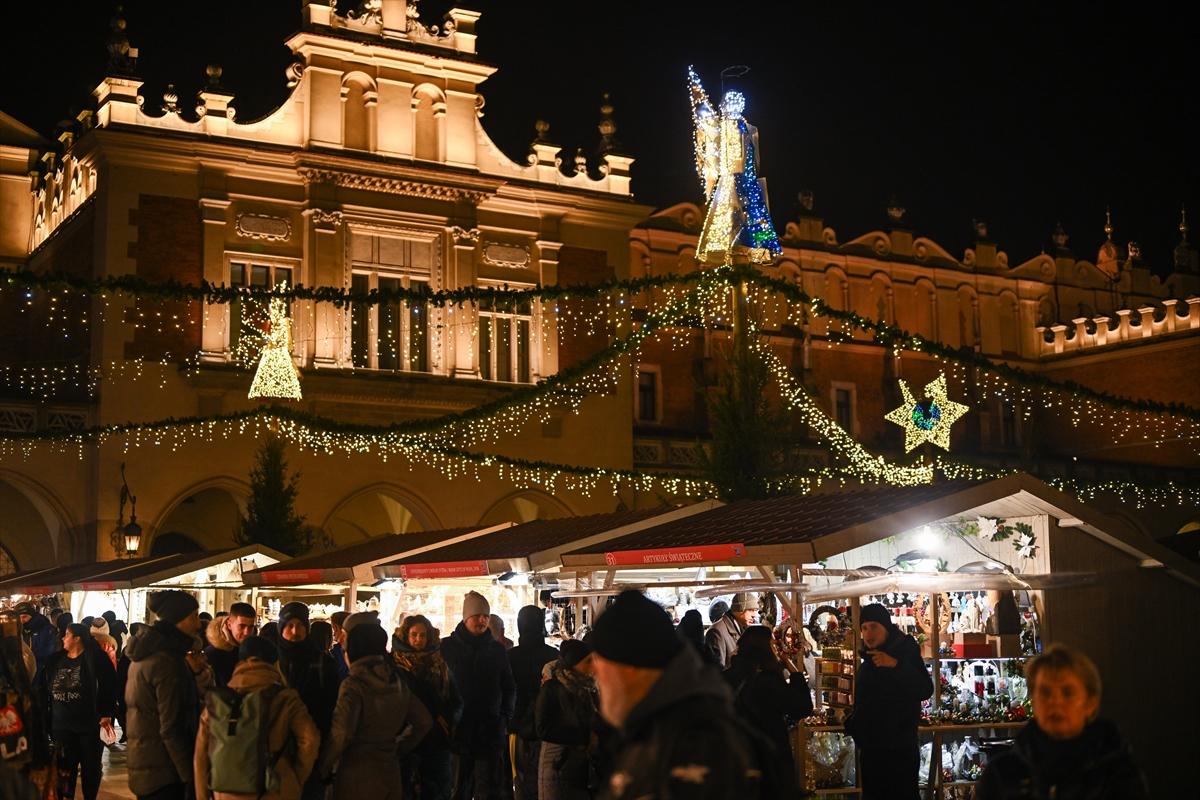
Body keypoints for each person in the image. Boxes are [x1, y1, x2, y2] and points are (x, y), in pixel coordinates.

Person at [590, 590, 765, 799]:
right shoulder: (655, 733)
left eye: (600, 666)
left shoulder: (697, 746)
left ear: (628, 668)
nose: (596, 675)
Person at [975, 643, 1148, 799]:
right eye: (1045, 693)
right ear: (1033, 702)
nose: (1055, 702)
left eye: (1067, 693)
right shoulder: (1001, 776)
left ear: (1090, 703)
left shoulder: (1117, 775)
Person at [193, 636, 320, 800]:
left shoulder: (219, 700)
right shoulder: (286, 698)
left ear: (240, 662)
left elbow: (201, 755)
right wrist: (295, 778)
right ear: (274, 663)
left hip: (225, 791)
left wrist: (203, 795)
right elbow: (310, 740)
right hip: (275, 788)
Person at [318, 620, 433, 800]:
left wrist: (324, 767)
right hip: (389, 770)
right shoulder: (394, 680)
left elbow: (342, 732)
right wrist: (398, 746)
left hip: (356, 773)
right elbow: (423, 721)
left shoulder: (353, 684)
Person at [843, 603, 932, 800]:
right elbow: (866, 704)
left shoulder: (904, 652)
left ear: (886, 627)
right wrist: (853, 724)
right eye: (864, 628)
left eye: (874, 626)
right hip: (873, 752)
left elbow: (925, 689)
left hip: (899, 752)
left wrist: (895, 665)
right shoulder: (868, 662)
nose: (868, 633)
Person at [125, 590, 204, 800]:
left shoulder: (144, 654)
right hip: (166, 774)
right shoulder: (167, 662)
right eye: (193, 617)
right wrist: (191, 777)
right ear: (177, 620)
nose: (198, 624)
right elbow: (172, 727)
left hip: (147, 767)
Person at [441, 591, 516, 800]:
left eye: (486, 616)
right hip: (458, 730)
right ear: (466, 617)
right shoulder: (446, 648)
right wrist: (445, 719)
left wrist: (504, 717)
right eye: (477, 615)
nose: (482, 620)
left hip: (489, 730)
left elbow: (509, 686)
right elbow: (438, 685)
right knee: (457, 787)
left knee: (489, 788)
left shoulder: (496, 650)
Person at [722, 625, 813, 798]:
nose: (775, 648)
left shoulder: (727, 676)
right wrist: (790, 666)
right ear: (765, 648)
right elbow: (802, 707)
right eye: (772, 643)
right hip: (770, 758)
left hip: (736, 757)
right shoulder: (767, 681)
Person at [39, 622, 117, 800]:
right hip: (61, 725)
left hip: (89, 724)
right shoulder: (55, 660)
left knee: (91, 767)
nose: (62, 638)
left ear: (77, 638)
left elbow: (110, 685)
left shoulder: (96, 658)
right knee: (65, 769)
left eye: (66, 634)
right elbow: (44, 690)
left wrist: (106, 712)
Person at [276, 602, 341, 800]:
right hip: (277, 751)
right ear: (281, 627)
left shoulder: (323, 663)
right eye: (289, 625)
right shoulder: (270, 661)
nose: (295, 631)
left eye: (300, 625)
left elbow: (332, 708)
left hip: (313, 750)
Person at [394, 614, 461, 800]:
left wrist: (448, 723)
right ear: (406, 635)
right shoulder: (396, 664)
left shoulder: (440, 663)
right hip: (407, 737)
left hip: (437, 739)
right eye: (414, 635)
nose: (418, 640)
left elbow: (454, 699)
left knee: (437, 789)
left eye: (422, 635)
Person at [535, 640, 599, 800]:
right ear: (574, 663)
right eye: (588, 661)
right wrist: (584, 736)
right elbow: (543, 728)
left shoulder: (588, 688)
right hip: (556, 763)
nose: (593, 666)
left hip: (580, 766)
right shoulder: (552, 688)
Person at [508, 604, 560, 800]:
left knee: (520, 778)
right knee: (545, 778)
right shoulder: (553, 656)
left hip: (517, 726)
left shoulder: (510, 656)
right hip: (547, 727)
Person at [204, 602, 257, 689]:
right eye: (242, 626)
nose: (247, 632)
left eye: (251, 627)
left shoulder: (253, 650)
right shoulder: (213, 654)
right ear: (229, 624)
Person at [704, 592, 756, 668]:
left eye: (755, 610)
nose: (754, 615)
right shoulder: (716, 632)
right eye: (750, 610)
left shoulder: (743, 627)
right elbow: (717, 670)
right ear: (739, 609)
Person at [116, 621, 146, 744]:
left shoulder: (127, 648)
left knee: (124, 710)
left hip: (126, 684)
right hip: (135, 684)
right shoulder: (144, 648)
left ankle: (127, 731)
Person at [14, 602, 59, 675]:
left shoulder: (46, 629)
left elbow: (49, 652)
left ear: (32, 615)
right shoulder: (19, 630)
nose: (22, 621)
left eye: (24, 617)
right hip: (25, 671)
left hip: (43, 671)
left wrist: (30, 660)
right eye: (19, 618)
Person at [329, 611, 350, 681]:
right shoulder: (359, 649)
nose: (333, 634)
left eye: (333, 628)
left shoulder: (334, 651)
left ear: (336, 627)